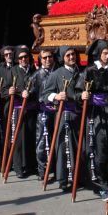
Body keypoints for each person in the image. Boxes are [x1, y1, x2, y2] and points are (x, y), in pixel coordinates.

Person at [75, 39, 108, 201]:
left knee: (107, 150)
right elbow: (76, 92)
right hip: (95, 114)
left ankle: (99, 181)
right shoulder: (89, 71)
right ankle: (102, 186)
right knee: (96, 151)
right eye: (105, 53)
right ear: (99, 53)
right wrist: (82, 95)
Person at [40, 45, 82, 192]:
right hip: (64, 114)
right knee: (63, 147)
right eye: (68, 55)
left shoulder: (81, 71)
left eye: (73, 54)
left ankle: (79, 176)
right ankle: (63, 179)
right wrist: (56, 96)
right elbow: (45, 95)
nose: (71, 57)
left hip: (80, 115)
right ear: (63, 58)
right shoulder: (57, 74)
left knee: (79, 146)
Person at [1, 46, 38, 178]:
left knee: (31, 137)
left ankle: (31, 165)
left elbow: (38, 87)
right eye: (21, 58)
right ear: (17, 59)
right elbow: (4, 90)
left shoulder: (34, 70)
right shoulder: (12, 71)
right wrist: (13, 91)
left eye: (25, 57)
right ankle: (18, 167)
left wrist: (31, 93)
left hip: (32, 109)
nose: (23, 59)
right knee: (18, 139)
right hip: (17, 109)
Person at [33, 48, 58, 180]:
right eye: (45, 58)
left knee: (58, 140)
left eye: (50, 57)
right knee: (42, 140)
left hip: (58, 111)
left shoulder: (58, 72)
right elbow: (30, 91)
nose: (48, 60)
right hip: (43, 112)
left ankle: (57, 169)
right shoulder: (36, 75)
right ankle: (42, 169)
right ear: (40, 60)